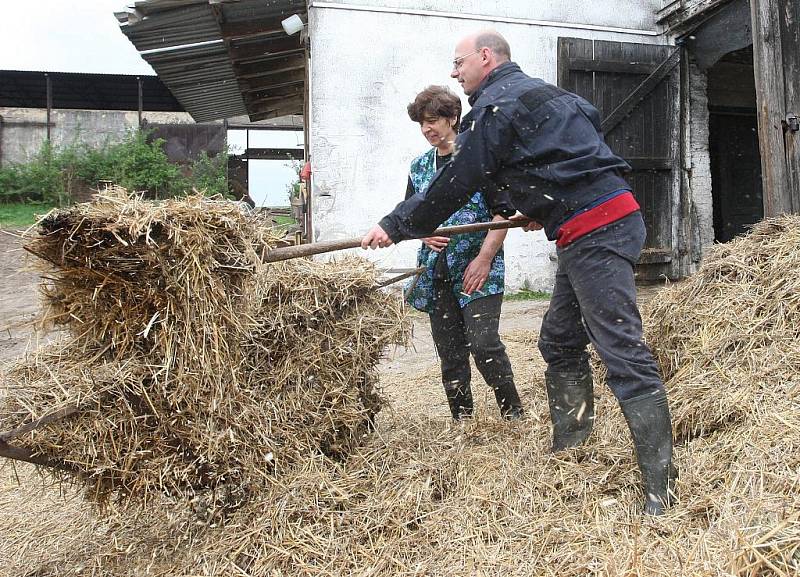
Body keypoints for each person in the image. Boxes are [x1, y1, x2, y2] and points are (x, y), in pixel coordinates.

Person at [362, 30, 676, 515]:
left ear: (485, 58)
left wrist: (396, 224)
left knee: (621, 349)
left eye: (458, 61)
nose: (454, 71)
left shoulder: (493, 109)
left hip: (599, 227)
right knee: (558, 342)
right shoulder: (551, 95)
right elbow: (568, 147)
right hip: (588, 226)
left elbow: (459, 180)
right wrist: (535, 205)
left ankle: (661, 489)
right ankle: (571, 451)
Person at [403, 85, 524, 421]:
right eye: (422, 124)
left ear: (453, 118)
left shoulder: (477, 161)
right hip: (436, 272)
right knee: (451, 352)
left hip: (478, 268)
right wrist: (423, 234)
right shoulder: (419, 167)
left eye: (433, 121)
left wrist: (484, 259)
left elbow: (503, 213)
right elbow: (410, 216)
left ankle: (513, 413)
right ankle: (462, 420)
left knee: (484, 343)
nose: (428, 129)